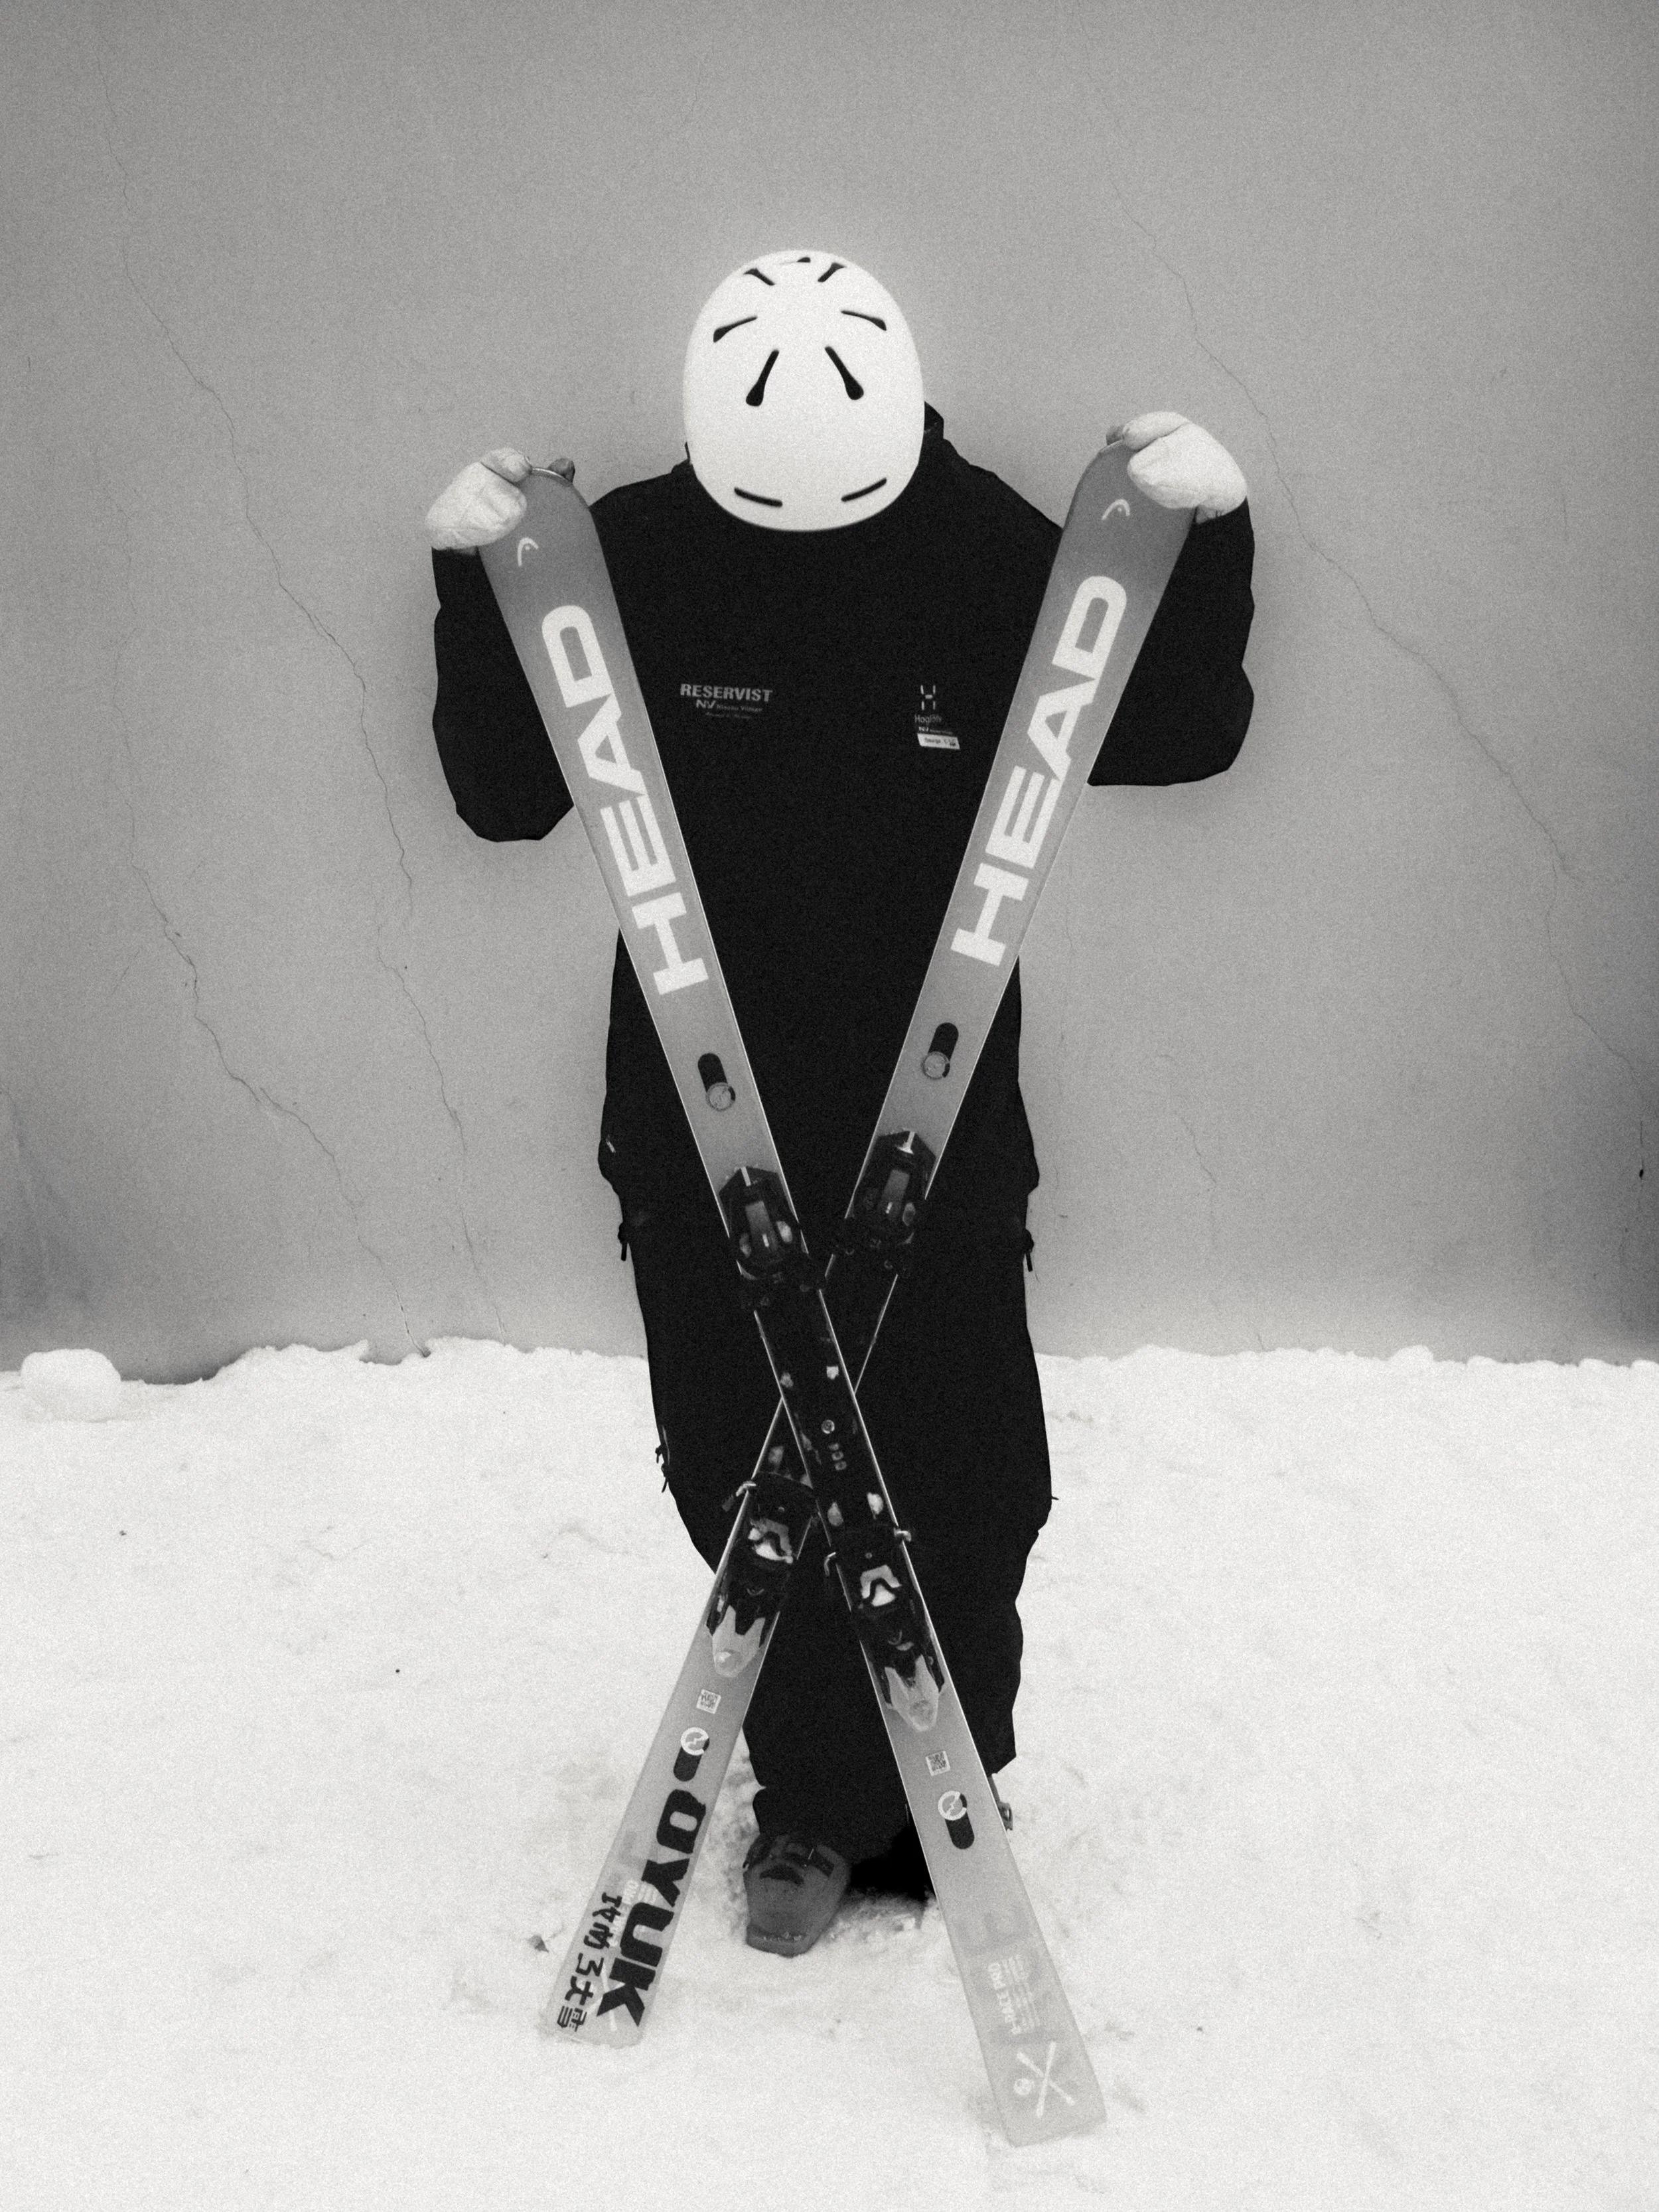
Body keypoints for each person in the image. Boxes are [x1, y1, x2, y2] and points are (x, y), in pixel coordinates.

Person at [424, 249, 1256, 1957]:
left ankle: (944, 1790)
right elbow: (508, 791)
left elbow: (1166, 730)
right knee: (748, 1471)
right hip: (699, 1111)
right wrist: (470, 581)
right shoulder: (639, 560)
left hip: (933, 1111)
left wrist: (1211, 535)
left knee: (966, 1465)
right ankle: (810, 1797)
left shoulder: (976, 550)